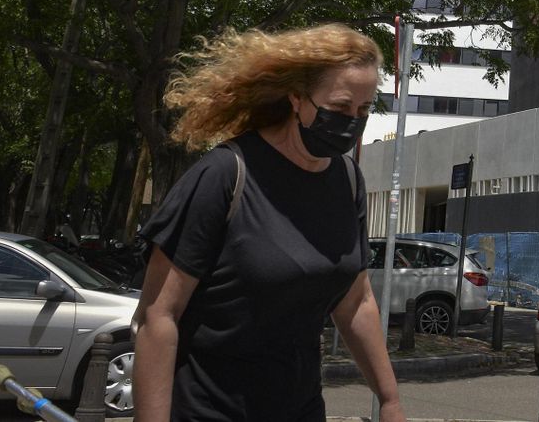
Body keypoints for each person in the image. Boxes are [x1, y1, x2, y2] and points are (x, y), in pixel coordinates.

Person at [132, 24, 406, 422]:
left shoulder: (347, 181)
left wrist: (389, 400)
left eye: (363, 111)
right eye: (340, 107)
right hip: (209, 411)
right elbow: (158, 315)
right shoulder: (226, 175)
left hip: (301, 408)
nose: (352, 121)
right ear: (297, 97)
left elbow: (355, 300)